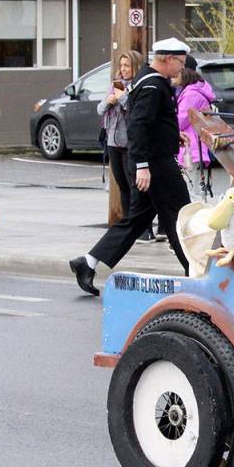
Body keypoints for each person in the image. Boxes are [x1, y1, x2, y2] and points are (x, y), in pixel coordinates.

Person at [69, 38, 193, 295]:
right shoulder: (152, 85)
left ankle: (88, 262)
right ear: (167, 58)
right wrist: (143, 166)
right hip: (156, 166)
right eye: (179, 63)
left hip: (152, 160)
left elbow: (152, 122)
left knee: (136, 220)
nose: (181, 69)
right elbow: (138, 126)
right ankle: (195, 274)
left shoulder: (147, 79)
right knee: (180, 217)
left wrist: (172, 136)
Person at [98, 50, 155, 243]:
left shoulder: (139, 86)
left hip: (131, 144)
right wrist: (109, 100)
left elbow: (135, 111)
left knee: (136, 187)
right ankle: (129, 227)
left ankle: (145, 229)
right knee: (123, 186)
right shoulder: (115, 85)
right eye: (121, 66)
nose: (123, 70)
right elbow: (99, 109)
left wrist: (123, 98)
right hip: (114, 142)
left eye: (127, 66)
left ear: (135, 67)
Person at [174, 60, 215, 202]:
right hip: (194, 146)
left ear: (184, 71)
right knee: (192, 189)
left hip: (190, 148)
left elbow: (179, 121)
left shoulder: (191, 94)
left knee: (189, 191)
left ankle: (189, 221)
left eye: (177, 72)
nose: (174, 75)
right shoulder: (196, 90)